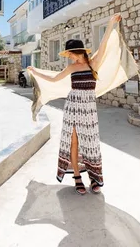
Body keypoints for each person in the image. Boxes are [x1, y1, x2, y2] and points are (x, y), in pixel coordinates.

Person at [28, 13, 122, 195]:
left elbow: (102, 46)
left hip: (88, 109)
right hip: (72, 107)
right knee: (73, 142)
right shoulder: (71, 68)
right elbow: (54, 79)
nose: (69, 57)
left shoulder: (93, 63)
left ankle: (95, 178)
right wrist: (36, 73)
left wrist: (110, 25)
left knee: (91, 142)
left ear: (76, 52)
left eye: (70, 53)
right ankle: (77, 178)